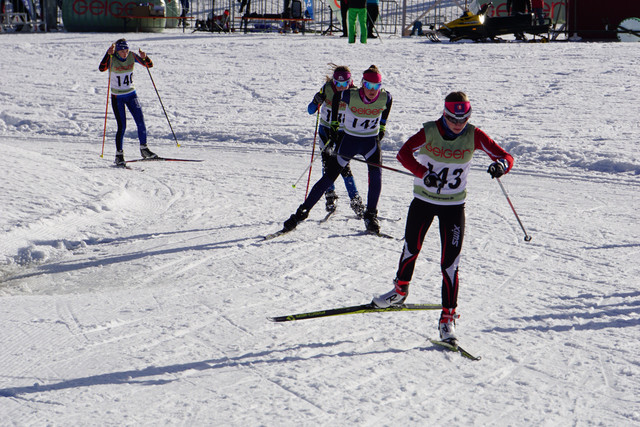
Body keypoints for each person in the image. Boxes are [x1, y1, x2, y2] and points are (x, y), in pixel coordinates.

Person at [371, 91, 514, 344]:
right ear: (444, 113)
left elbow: (506, 156)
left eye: (464, 119)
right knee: (411, 248)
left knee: (449, 264)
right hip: (423, 202)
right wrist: (421, 172)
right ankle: (399, 291)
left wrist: (500, 166)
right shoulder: (429, 131)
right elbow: (403, 153)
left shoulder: (474, 134)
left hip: (454, 207)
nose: (458, 125)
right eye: (452, 119)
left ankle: (448, 318)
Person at [283, 65, 393, 233]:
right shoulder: (349, 95)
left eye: (376, 86)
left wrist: (383, 126)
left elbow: (390, 101)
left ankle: (370, 215)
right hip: (347, 140)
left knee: (376, 177)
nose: (372, 90)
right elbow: (335, 100)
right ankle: (302, 212)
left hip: (370, 143)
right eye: (369, 85)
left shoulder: (384, 97)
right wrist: (333, 123)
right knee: (329, 174)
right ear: (363, 83)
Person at [307, 65, 365, 217]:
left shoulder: (355, 92)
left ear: (350, 81)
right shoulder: (327, 89)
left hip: (344, 133)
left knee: (344, 166)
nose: (340, 87)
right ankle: (330, 196)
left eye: (344, 83)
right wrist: (315, 101)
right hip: (326, 131)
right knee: (327, 165)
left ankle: (355, 200)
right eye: (337, 83)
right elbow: (310, 110)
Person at [99, 39, 158, 166]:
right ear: (117, 51)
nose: (124, 53)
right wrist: (106, 54)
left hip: (131, 94)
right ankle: (119, 155)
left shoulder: (132, 56)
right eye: (122, 51)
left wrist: (145, 57)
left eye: (126, 50)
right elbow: (101, 68)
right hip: (117, 97)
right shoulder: (112, 58)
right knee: (122, 126)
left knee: (140, 121)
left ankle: (144, 149)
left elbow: (149, 65)